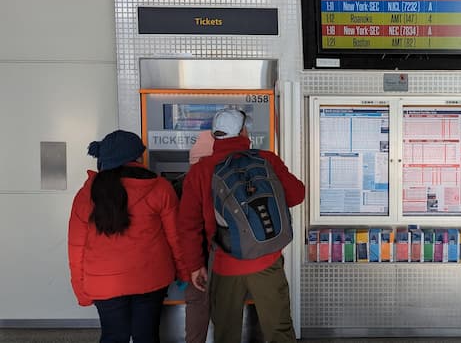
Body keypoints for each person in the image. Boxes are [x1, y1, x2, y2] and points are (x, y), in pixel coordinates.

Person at [178, 109, 305, 343]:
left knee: (226, 333)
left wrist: (195, 266)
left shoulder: (199, 172)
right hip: (267, 260)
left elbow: (188, 225)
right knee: (279, 330)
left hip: (225, 264)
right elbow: (297, 195)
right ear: (244, 132)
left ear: (215, 137)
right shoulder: (267, 159)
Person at [68, 130, 187, 343]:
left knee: (113, 337)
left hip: (104, 282)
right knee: (147, 337)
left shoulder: (87, 194)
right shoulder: (160, 187)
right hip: (150, 278)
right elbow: (175, 237)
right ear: (136, 158)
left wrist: (80, 288)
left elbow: (76, 246)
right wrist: (183, 272)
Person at [182, 130, 214, 343]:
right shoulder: (226, 180)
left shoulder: (180, 184)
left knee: (196, 306)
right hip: (224, 258)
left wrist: (192, 265)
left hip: (196, 262)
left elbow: (185, 228)